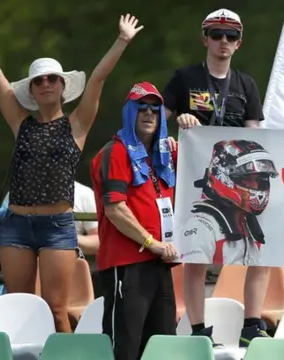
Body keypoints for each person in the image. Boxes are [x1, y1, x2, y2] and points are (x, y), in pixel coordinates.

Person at [0, 14, 144, 333]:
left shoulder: (76, 124)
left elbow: (97, 79)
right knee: (20, 307)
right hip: (16, 225)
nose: (45, 84)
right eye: (38, 81)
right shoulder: (21, 123)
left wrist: (122, 40)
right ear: (31, 89)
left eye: (52, 78)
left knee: (56, 310)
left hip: (57, 227)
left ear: (63, 86)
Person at [161, 8, 271, 348]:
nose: (224, 41)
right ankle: (197, 328)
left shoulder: (245, 84)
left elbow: (258, 135)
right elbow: (153, 121)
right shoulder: (184, 78)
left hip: (240, 179)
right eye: (217, 34)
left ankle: (252, 323)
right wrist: (178, 123)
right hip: (199, 177)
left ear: (239, 43)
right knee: (195, 253)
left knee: (266, 246)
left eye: (231, 36)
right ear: (205, 39)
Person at [90, 82, 179, 360]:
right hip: (126, 265)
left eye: (155, 108)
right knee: (125, 349)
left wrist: (190, 129)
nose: (149, 113)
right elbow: (115, 209)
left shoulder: (165, 156)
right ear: (129, 112)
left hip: (160, 264)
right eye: (142, 107)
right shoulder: (115, 152)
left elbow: (207, 159)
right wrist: (151, 243)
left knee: (162, 347)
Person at [178, 139, 279, 265]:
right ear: (224, 176)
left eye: (260, 180)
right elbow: (193, 276)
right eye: (248, 179)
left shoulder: (249, 226)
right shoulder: (202, 226)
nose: (256, 186)